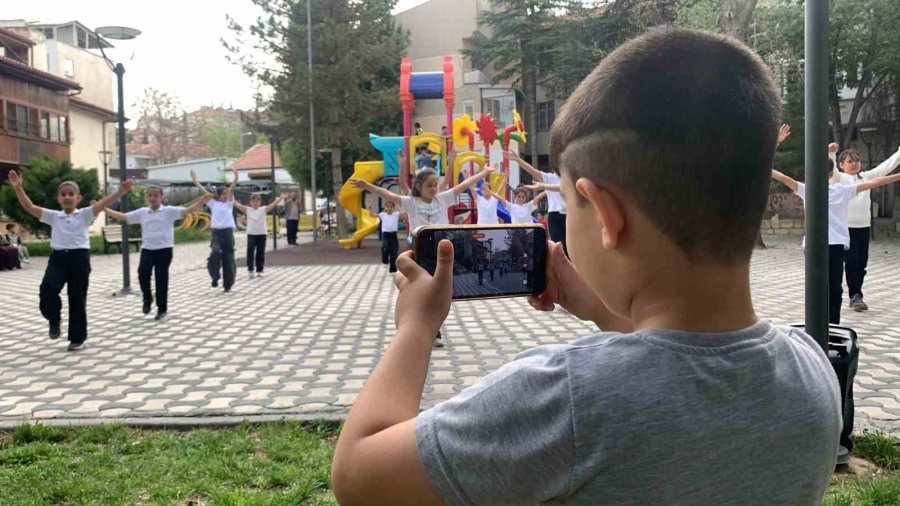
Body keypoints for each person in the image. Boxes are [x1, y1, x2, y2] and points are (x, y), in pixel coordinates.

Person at [331, 28, 844, 505]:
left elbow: (358, 475)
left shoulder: (567, 398)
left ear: (604, 214)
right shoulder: (814, 373)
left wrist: (417, 328)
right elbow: (688, 370)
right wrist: (601, 310)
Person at [350, 164, 493, 348]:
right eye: (430, 185)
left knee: (440, 292)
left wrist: (485, 172)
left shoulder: (442, 199)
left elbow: (465, 184)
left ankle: (432, 328)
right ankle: (428, 330)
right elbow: (389, 195)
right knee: (426, 291)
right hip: (422, 252)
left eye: (436, 185)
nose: (434, 189)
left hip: (443, 251)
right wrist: (366, 186)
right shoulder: (411, 203)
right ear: (419, 187)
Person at [7, 171, 131, 351]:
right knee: (47, 289)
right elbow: (30, 207)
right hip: (58, 259)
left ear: (78, 198)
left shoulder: (85, 214)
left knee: (77, 298)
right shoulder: (53, 216)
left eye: (70, 194)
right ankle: (54, 319)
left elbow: (103, 203)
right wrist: (18, 188)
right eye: (63, 194)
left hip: (79, 259)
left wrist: (120, 192)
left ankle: (77, 338)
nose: (67, 197)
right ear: (58, 198)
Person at [771, 166, 900, 325]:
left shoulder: (813, 189)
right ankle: (831, 323)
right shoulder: (835, 190)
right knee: (832, 286)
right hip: (829, 245)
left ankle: (821, 323)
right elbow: (875, 182)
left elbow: (783, 177)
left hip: (821, 245)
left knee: (819, 285)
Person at [103, 186, 211, 320]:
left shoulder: (169, 211)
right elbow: (123, 217)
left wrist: (201, 201)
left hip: (164, 250)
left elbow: (186, 210)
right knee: (142, 274)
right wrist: (104, 208)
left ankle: (162, 309)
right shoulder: (143, 212)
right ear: (147, 198)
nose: (152, 198)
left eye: (155, 196)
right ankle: (147, 298)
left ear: (161, 197)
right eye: (150, 196)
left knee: (161, 279)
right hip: (147, 249)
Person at [828, 140, 900, 312]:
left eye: (857, 161)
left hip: (863, 227)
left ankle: (856, 294)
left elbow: (885, 168)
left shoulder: (865, 177)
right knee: (852, 262)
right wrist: (831, 153)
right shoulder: (839, 178)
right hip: (845, 228)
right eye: (850, 161)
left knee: (861, 263)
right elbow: (831, 169)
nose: (854, 164)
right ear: (841, 165)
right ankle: (855, 295)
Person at [504, 149, 568, 253]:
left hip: (568, 214)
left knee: (570, 246)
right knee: (559, 247)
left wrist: (544, 186)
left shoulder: (568, 178)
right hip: (554, 216)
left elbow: (563, 187)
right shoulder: (549, 177)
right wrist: (518, 160)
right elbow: (533, 171)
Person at [192, 167, 238, 292]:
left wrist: (236, 178)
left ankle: (228, 284)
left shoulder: (229, 203)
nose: (225, 196)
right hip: (216, 233)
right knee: (215, 253)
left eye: (226, 194)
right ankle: (215, 276)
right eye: (223, 194)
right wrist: (196, 181)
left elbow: (232, 188)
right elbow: (204, 193)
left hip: (228, 232)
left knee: (228, 258)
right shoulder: (213, 204)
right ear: (218, 195)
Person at [235, 192, 288, 279]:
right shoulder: (248, 209)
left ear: (260, 202)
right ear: (250, 202)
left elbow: (273, 204)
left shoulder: (263, 209)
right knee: (250, 252)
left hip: (261, 234)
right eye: (253, 201)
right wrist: (231, 197)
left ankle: (260, 270)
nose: (255, 203)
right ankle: (250, 270)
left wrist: (281, 198)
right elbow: (237, 205)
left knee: (260, 252)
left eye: (257, 201)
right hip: (251, 234)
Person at [378, 201, 400, 274]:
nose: (389, 208)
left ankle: (393, 270)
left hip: (393, 235)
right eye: (388, 207)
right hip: (385, 235)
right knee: (385, 247)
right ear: (385, 208)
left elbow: (405, 214)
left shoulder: (396, 214)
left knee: (394, 251)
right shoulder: (382, 215)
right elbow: (372, 215)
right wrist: (369, 207)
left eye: (391, 207)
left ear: (393, 208)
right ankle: (385, 261)